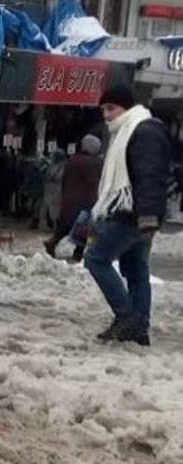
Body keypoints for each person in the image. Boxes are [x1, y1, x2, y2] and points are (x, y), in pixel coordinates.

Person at [85, 87, 172, 346]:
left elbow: (150, 174)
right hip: (138, 213)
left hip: (131, 213)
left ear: (126, 107)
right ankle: (139, 328)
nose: (106, 115)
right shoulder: (129, 130)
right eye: (103, 109)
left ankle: (128, 317)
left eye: (110, 108)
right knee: (135, 269)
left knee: (95, 259)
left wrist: (147, 216)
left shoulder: (143, 130)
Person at [44, 134, 103, 262]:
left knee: (66, 225)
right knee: (85, 227)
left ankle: (53, 241)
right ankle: (79, 252)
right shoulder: (96, 162)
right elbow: (95, 183)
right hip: (87, 200)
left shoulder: (72, 160)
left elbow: (65, 179)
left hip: (69, 198)